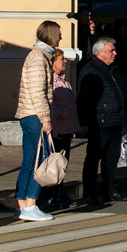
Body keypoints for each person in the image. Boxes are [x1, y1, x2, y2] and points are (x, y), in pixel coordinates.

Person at [14, 20, 62, 222]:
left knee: (29, 161)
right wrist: (45, 118)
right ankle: (31, 202)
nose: (61, 38)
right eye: (59, 34)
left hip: (29, 114)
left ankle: (22, 204)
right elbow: (37, 92)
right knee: (41, 160)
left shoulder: (39, 56)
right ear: (51, 35)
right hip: (34, 115)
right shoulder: (37, 58)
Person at [78, 37, 127, 207]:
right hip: (99, 122)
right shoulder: (91, 70)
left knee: (111, 158)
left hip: (114, 120)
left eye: (114, 50)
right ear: (100, 52)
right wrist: (84, 122)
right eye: (111, 50)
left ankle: (110, 190)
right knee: (93, 158)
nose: (115, 53)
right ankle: (89, 193)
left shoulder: (112, 69)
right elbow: (83, 98)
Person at [38, 48, 83, 213]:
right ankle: (49, 197)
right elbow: (49, 105)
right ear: (53, 62)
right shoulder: (51, 83)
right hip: (56, 130)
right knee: (53, 164)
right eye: (62, 59)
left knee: (62, 165)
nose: (65, 62)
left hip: (67, 130)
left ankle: (58, 195)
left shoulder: (64, 81)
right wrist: (64, 113)